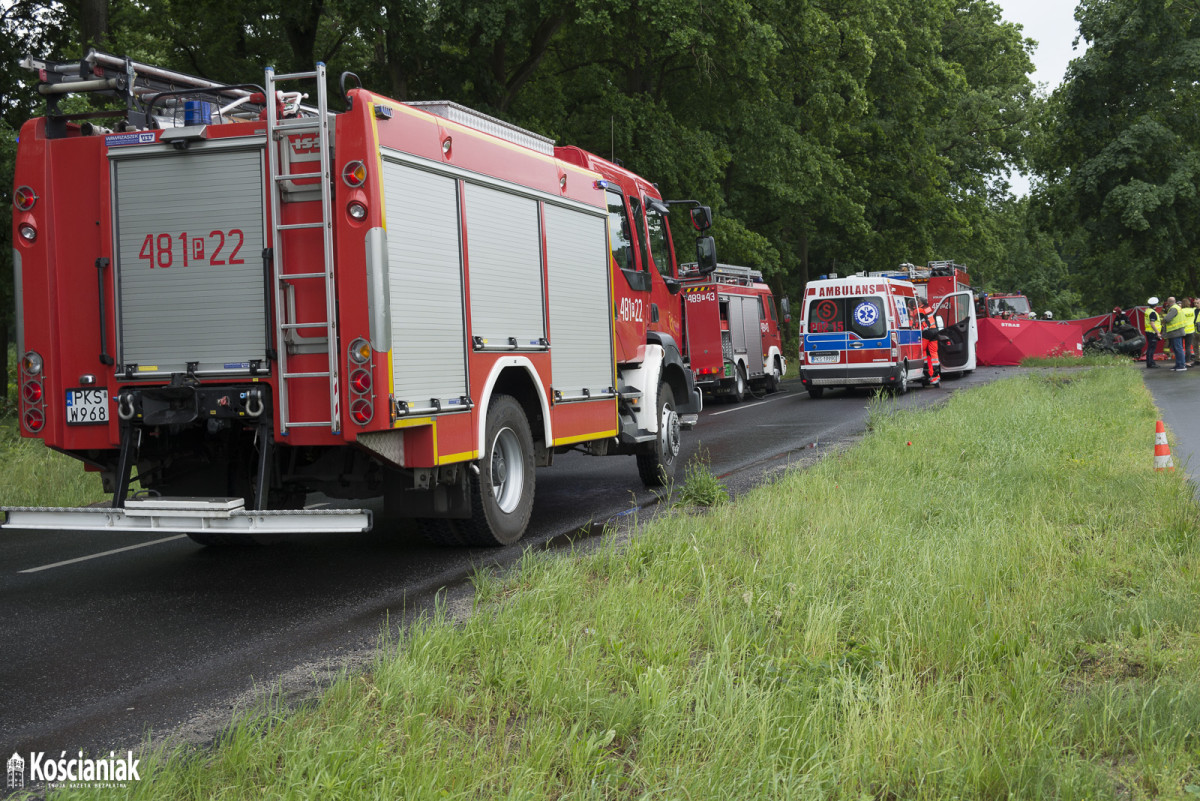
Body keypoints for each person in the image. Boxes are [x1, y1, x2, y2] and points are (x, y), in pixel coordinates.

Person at [916, 301, 941, 387]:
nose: (917, 303)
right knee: (933, 353)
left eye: (918, 302)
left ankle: (925, 369)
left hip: (926, 332)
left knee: (922, 350)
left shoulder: (919, 309)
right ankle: (936, 372)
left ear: (921, 303)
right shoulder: (928, 308)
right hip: (934, 331)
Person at [1162, 296, 1187, 370]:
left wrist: (1163, 319)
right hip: (1176, 331)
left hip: (1176, 331)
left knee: (1178, 348)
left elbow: (1167, 319)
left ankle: (1181, 365)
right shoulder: (1177, 307)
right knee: (1176, 349)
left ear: (1169, 302)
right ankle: (1178, 364)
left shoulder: (1173, 308)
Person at [1143, 297, 1161, 368]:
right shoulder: (1152, 313)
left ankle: (1151, 362)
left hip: (1148, 331)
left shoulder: (1147, 310)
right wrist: (1158, 333)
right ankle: (1150, 363)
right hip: (1152, 332)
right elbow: (1152, 323)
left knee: (1150, 347)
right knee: (1151, 348)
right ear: (1156, 305)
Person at [1182, 298, 1198, 366]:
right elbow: (1194, 319)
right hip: (1191, 330)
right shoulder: (1192, 310)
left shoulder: (1181, 311)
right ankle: (1188, 362)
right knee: (1188, 347)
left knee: (1180, 347)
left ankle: (1181, 361)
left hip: (1182, 330)